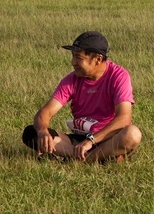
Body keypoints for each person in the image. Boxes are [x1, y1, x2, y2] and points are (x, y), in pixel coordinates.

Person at [23, 31, 141, 163]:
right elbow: (46, 112)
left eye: (78, 57)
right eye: (73, 56)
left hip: (107, 138)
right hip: (80, 139)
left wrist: (91, 141)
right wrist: (42, 132)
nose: (73, 62)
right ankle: (99, 157)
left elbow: (124, 119)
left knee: (132, 134)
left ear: (98, 59)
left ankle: (83, 158)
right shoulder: (71, 79)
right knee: (31, 132)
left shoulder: (119, 76)